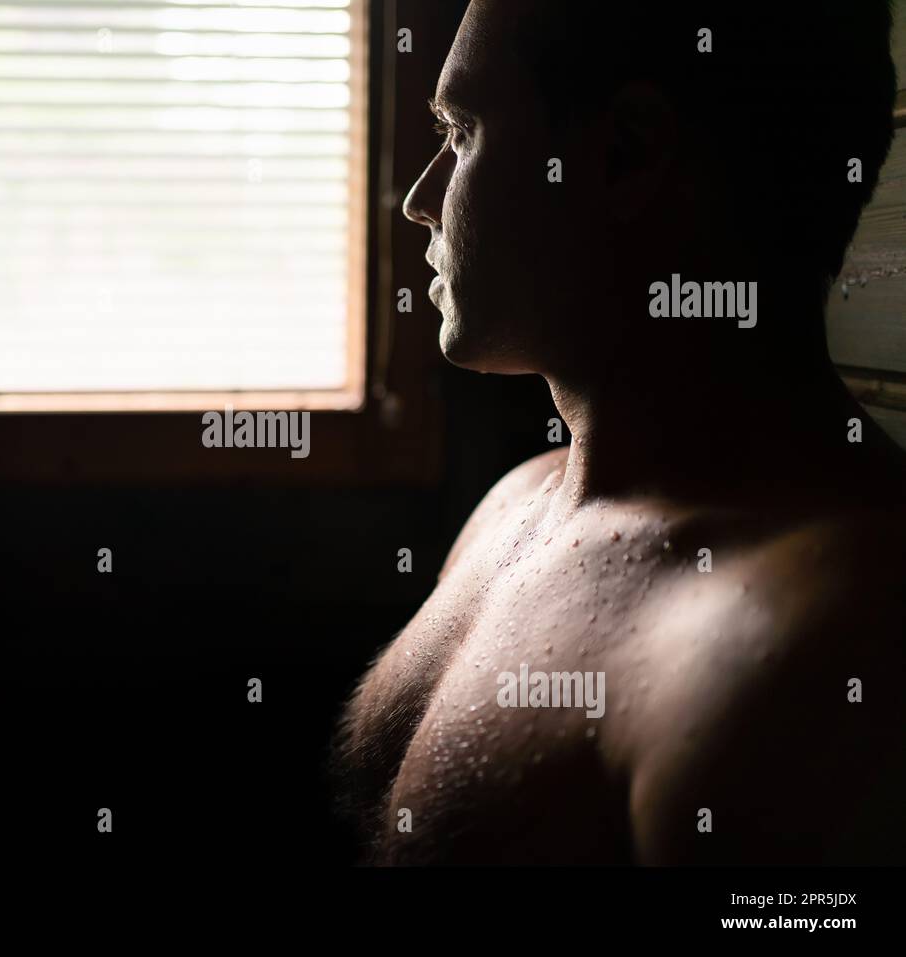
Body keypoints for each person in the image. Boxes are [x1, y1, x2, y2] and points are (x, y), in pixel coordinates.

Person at [334, 0, 906, 864]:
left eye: (460, 130)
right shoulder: (517, 502)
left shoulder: (821, 643)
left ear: (623, 156)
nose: (419, 200)